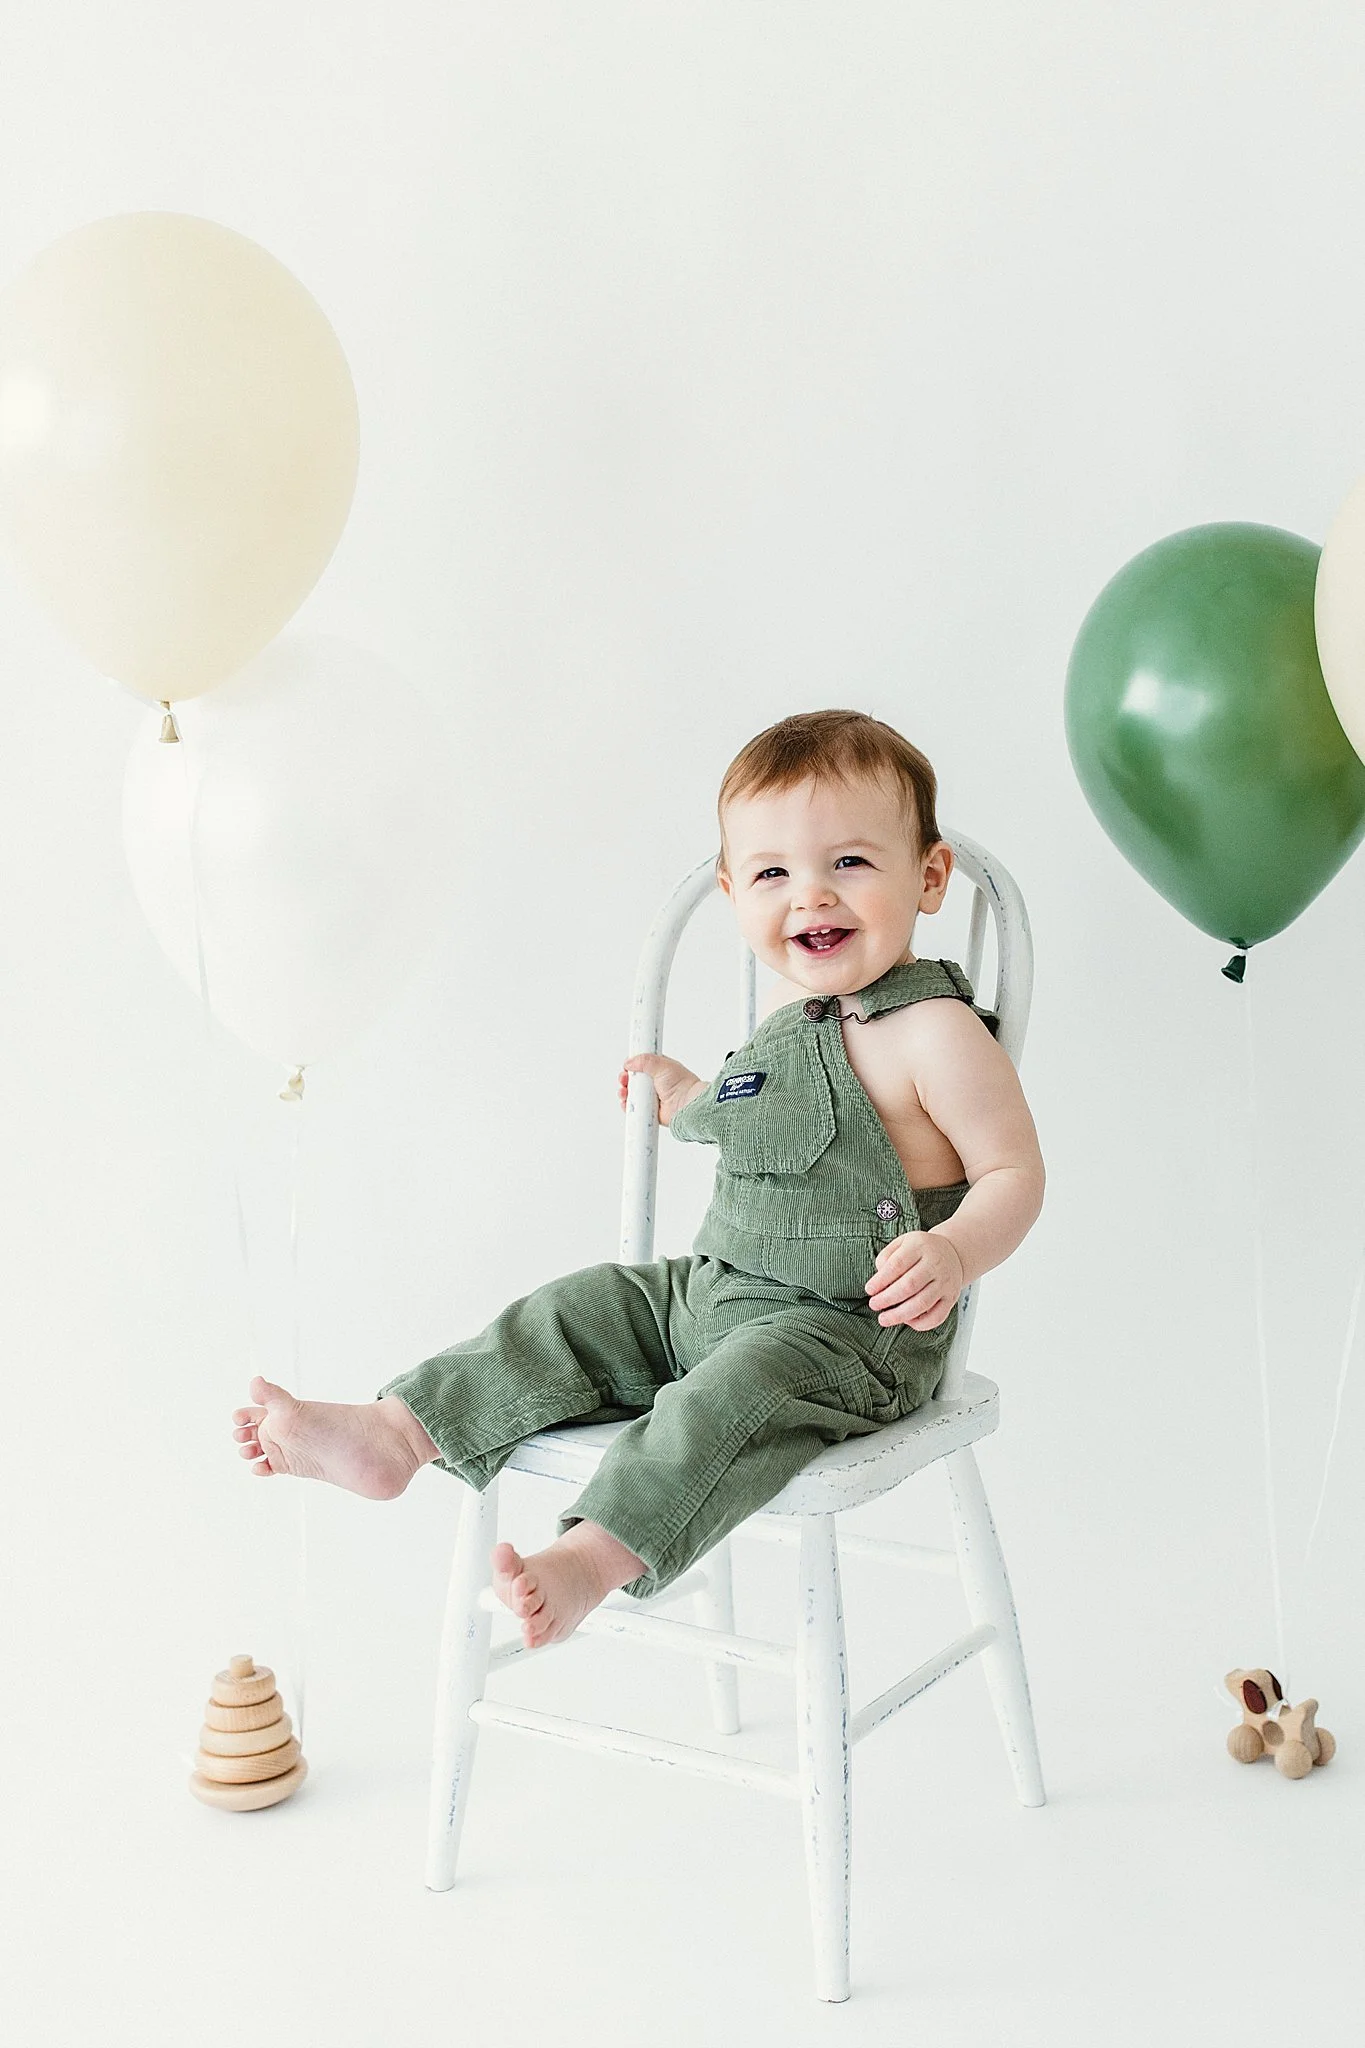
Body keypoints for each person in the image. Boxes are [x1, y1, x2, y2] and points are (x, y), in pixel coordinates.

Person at [230, 710, 1045, 1650]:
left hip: (847, 1336)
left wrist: (951, 1248)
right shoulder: (790, 1010)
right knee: (576, 1308)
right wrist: (688, 1095)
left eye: (850, 864)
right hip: (708, 1293)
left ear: (929, 876)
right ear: (733, 890)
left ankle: (590, 1558)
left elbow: (1012, 1174)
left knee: (727, 1392)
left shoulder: (936, 1031)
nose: (809, 897)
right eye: (772, 874)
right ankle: (399, 1430)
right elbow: (763, 1112)